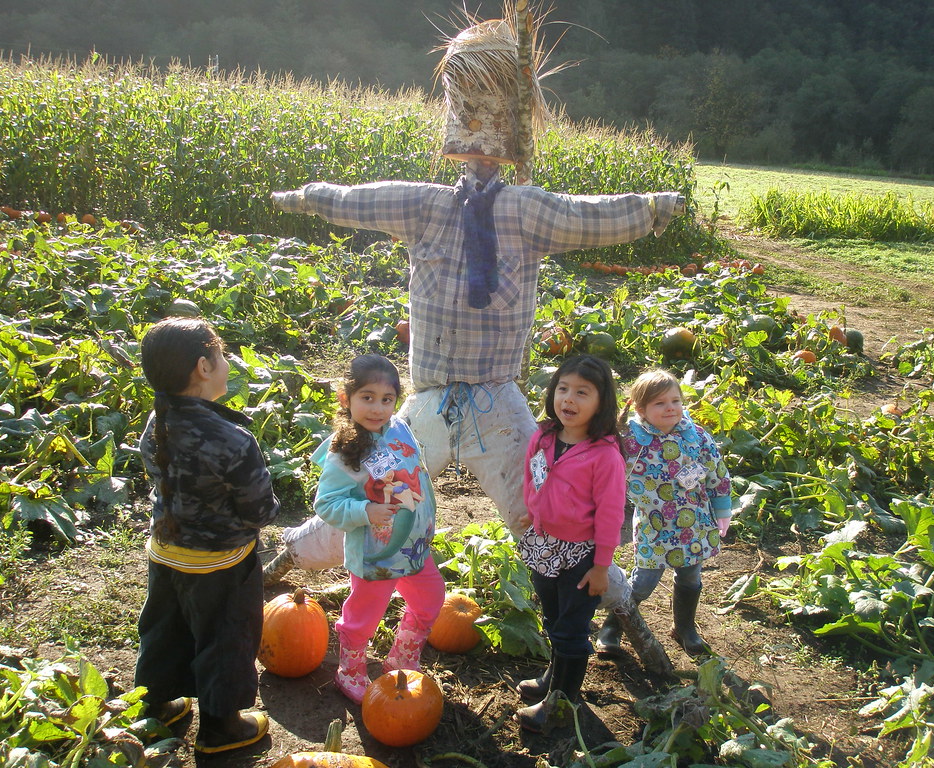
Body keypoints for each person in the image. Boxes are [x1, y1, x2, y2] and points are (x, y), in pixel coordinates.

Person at [269, 13, 685, 546]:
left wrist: (651, 208)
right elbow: (357, 200)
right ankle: (292, 553)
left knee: (541, 515)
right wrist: (305, 197)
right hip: (430, 401)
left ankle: (596, 585)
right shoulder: (427, 206)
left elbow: (587, 216)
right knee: (377, 499)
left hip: (498, 403)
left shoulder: (524, 210)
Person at [135, 317, 278, 754]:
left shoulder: (157, 420)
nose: (227, 363)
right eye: (222, 355)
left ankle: (155, 706)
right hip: (221, 562)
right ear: (202, 367)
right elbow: (258, 508)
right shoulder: (233, 440)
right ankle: (221, 727)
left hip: (165, 552)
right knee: (226, 638)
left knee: (164, 629)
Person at [313, 354, 445, 703]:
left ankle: (402, 656)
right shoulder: (345, 452)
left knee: (431, 598)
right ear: (346, 398)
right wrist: (365, 510)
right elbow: (326, 503)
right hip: (376, 555)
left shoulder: (399, 427)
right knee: (364, 615)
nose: (377, 408)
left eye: (387, 399)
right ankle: (350, 670)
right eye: (367, 397)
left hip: (414, 547)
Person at [514, 354, 626, 733]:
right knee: (553, 617)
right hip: (544, 543)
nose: (569, 399)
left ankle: (560, 704)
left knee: (572, 629)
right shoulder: (544, 436)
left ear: (601, 402)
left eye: (582, 392)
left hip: (581, 555)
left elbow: (611, 514)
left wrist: (601, 566)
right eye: (563, 388)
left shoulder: (605, 455)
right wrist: (533, 510)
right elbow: (532, 475)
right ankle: (554, 677)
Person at [595, 368, 732, 658]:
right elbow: (605, 471)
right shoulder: (630, 441)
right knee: (643, 582)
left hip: (694, 523)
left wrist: (722, 508)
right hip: (654, 525)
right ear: (641, 409)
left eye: (675, 401)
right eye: (660, 403)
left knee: (690, 577)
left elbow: (716, 472)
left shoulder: (696, 436)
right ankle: (612, 628)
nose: (670, 408)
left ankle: (685, 628)